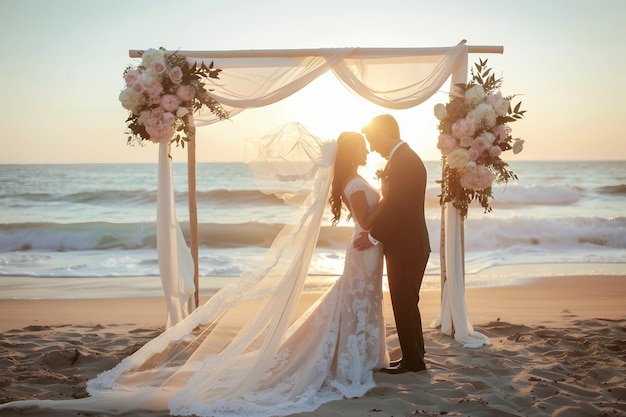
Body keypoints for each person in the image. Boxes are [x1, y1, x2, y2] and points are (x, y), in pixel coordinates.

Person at [0, 125, 390, 417]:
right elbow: (366, 220)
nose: (370, 149)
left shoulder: (353, 180)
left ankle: (355, 356)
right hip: (364, 250)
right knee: (351, 304)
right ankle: (349, 361)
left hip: (366, 252)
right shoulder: (355, 183)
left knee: (352, 305)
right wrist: (387, 201)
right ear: (354, 151)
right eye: (365, 145)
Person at [354, 114, 431, 374]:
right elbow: (397, 200)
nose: (373, 148)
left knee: (404, 302)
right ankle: (414, 357)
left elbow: (399, 208)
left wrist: (374, 237)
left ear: (385, 135)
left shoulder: (404, 162)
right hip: (408, 245)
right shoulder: (401, 160)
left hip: (407, 247)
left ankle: (413, 361)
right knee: (406, 302)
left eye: (373, 141)